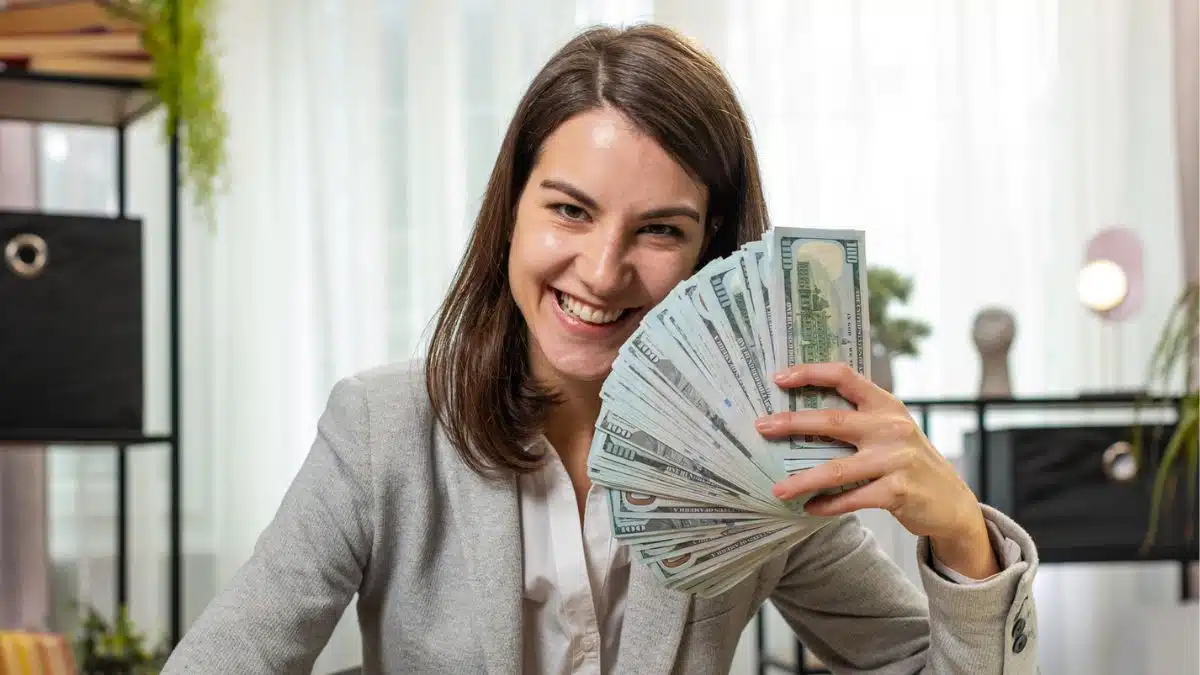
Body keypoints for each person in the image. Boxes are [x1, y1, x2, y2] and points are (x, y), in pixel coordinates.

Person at [162, 23, 1039, 675]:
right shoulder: (380, 430)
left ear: (714, 257)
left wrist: (963, 535)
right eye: (570, 210)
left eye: (660, 229)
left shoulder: (765, 463)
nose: (603, 268)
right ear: (512, 209)